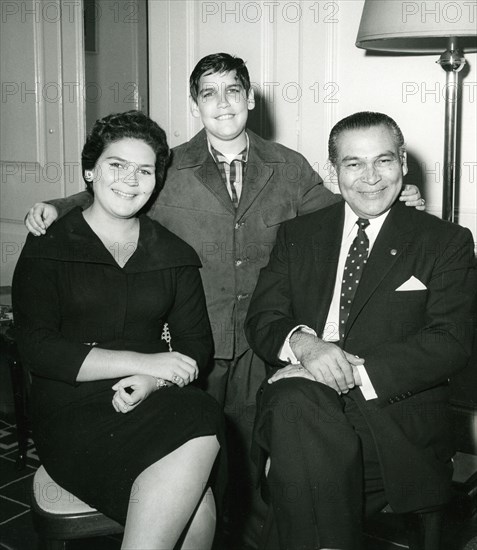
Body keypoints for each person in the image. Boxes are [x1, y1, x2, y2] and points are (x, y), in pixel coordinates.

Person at [23, 54, 424, 548]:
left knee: (258, 468)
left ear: (250, 99)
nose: (222, 103)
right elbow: (116, 189)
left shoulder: (289, 167)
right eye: (208, 93)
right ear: (195, 104)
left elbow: (346, 208)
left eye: (233, 90)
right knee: (203, 466)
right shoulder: (167, 165)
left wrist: (397, 199)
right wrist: (58, 206)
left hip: (263, 340)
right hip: (192, 344)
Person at [244, 111, 476, 550]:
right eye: (353, 164)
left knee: (294, 452)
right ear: (334, 172)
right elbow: (262, 318)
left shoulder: (446, 241)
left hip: (392, 418)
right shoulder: (298, 235)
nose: (370, 177)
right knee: (298, 406)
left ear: (403, 162)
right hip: (303, 403)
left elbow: (451, 341)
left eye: (383, 161)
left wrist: (342, 370)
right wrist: (307, 346)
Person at [13, 111, 225, 550]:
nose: (130, 180)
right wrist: (145, 361)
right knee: (201, 435)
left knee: (198, 484)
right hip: (71, 412)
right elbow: (36, 348)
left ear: (156, 180)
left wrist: (152, 379)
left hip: (153, 400)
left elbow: (196, 346)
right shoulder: (50, 245)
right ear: (90, 171)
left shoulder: (174, 253)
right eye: (117, 165)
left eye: (144, 170)